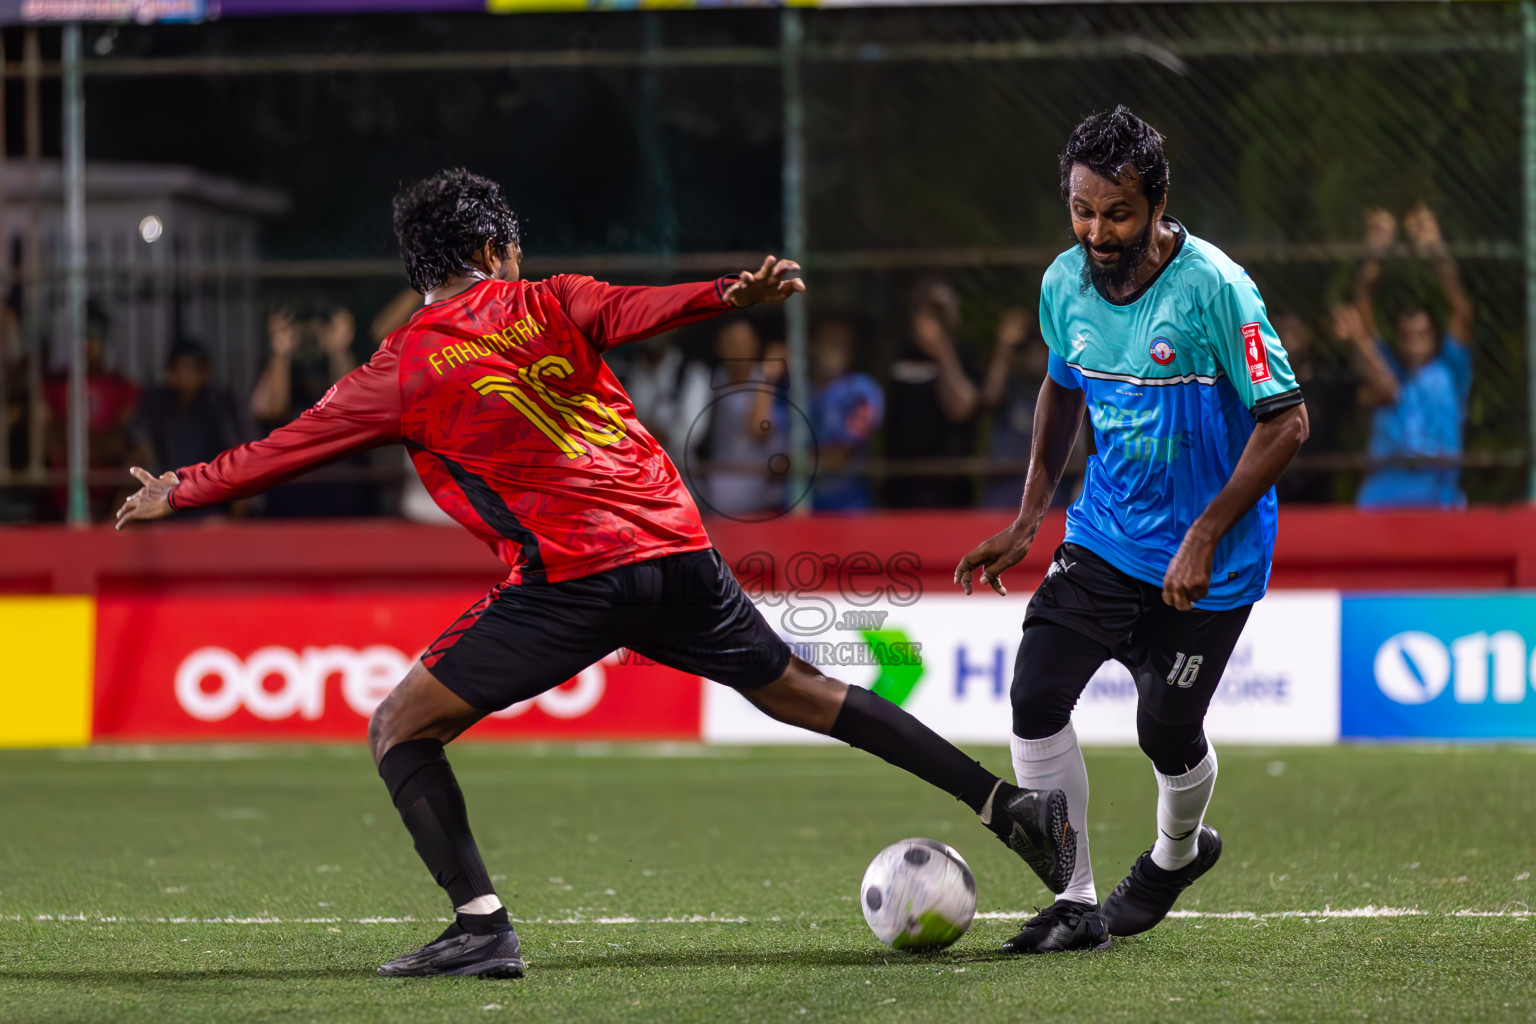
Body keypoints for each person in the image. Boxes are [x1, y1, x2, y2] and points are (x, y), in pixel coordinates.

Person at [115, 168, 1075, 980]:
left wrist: (180, 490)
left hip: (575, 577)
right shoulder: (551, 300)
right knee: (803, 692)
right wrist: (721, 296)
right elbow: (635, 308)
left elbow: (291, 444)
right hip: (678, 551)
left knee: (400, 726)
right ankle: (1005, 804)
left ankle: (482, 926)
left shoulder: (402, 365)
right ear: (494, 250)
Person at [954, 107, 1308, 954]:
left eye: (1116, 213)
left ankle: (1175, 857)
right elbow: (1061, 387)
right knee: (1036, 696)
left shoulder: (1216, 289)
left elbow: (1287, 422)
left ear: (1156, 205)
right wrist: (1030, 515)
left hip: (1210, 563)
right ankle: (1075, 902)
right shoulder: (1062, 283)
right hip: (1105, 537)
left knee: (1166, 732)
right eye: (1081, 210)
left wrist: (1206, 534)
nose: (1096, 231)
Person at [1346, 205, 1472, 509]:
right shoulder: (1389, 367)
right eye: (1407, 335)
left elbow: (1462, 312)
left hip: (1436, 499)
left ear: (1434, 336)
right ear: (1397, 340)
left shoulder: (1450, 370)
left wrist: (1436, 251)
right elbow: (1361, 308)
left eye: (1422, 334)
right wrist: (1373, 254)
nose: (1414, 342)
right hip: (1381, 500)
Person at [250, 296, 377, 517]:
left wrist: (338, 349)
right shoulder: (277, 366)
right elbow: (269, 408)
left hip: (343, 500)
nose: (310, 335)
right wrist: (281, 351)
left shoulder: (349, 365)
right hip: (289, 501)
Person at [885, 279, 982, 508]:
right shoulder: (901, 354)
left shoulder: (961, 355)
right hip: (901, 487)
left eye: (940, 311)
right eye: (925, 310)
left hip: (949, 487)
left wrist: (942, 350)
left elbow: (962, 408)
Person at [42, 302, 140, 520]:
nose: (90, 344)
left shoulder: (124, 388)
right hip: (61, 503)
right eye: (85, 336)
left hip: (114, 502)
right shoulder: (54, 386)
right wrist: (101, 445)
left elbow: (123, 445)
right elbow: (53, 447)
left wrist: (77, 446)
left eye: (96, 336)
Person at [131, 339, 250, 518]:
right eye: (180, 368)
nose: (187, 374)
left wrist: (234, 519)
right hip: (165, 504)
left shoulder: (218, 404)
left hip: (211, 509)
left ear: (205, 371)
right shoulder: (158, 403)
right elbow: (140, 449)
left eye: (193, 368)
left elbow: (238, 459)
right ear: (170, 372)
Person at [702, 318, 788, 518]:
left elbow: (759, 428)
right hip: (719, 499)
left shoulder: (767, 378)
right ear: (719, 347)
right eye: (730, 343)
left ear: (755, 345)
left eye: (741, 343)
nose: (736, 350)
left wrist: (767, 378)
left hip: (762, 500)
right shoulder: (714, 381)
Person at [1269, 308, 1355, 503]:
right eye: (1279, 329)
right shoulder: (1256, 390)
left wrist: (1355, 340)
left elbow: (1385, 392)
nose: (1286, 337)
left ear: (1308, 335)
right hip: (1271, 504)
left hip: (1317, 506)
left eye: (1293, 329)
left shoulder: (1329, 386)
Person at [808, 317, 883, 511]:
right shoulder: (799, 390)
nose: (832, 351)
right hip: (806, 510)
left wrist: (799, 461)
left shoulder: (862, 390)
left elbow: (840, 457)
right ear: (813, 346)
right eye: (829, 342)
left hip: (851, 508)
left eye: (841, 345)